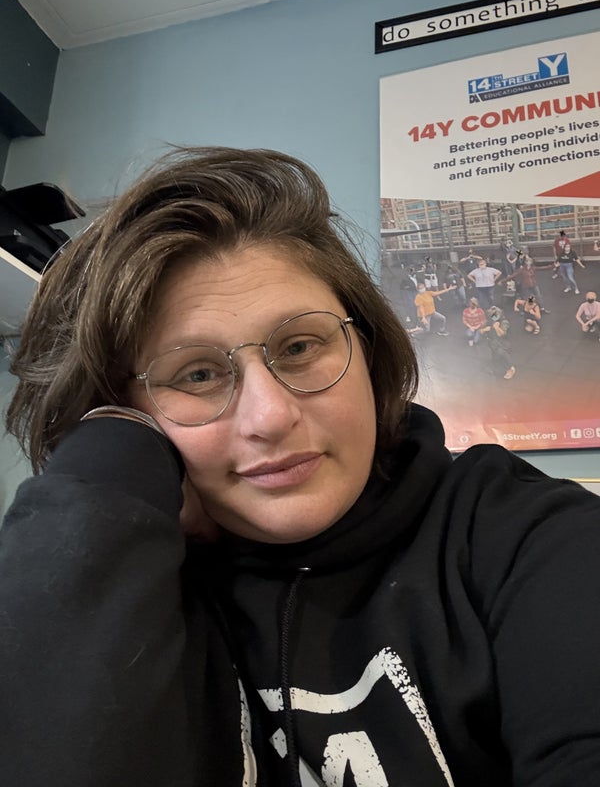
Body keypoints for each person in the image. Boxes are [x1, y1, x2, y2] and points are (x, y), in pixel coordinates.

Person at [2, 147, 600, 787]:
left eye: (299, 346)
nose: (271, 416)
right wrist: (111, 462)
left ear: (366, 349)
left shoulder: (525, 537)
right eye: (197, 375)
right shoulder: (137, 590)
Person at [480, 305, 516, 379]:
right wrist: (484, 329)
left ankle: (511, 368)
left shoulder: (504, 322)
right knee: (495, 356)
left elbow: (501, 334)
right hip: (493, 341)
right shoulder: (490, 320)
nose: (492, 317)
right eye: (491, 315)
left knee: (500, 352)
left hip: (503, 342)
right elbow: (481, 330)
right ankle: (496, 366)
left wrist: (496, 328)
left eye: (494, 315)